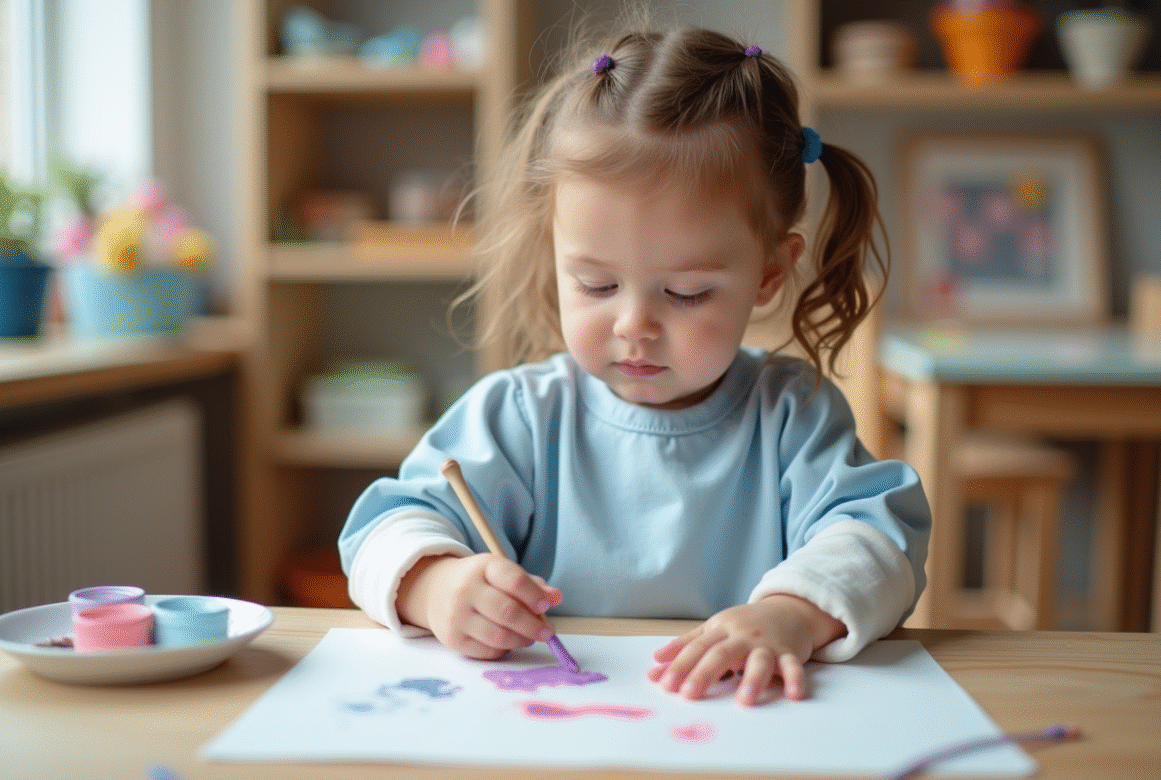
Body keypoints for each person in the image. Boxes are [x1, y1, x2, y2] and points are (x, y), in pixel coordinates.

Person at [340, 22, 930, 707]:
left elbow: (879, 540)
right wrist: (436, 585)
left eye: (686, 293)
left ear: (769, 274)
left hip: (737, 726)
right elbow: (382, 531)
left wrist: (793, 614)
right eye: (596, 284)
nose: (634, 326)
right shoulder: (521, 417)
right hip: (555, 727)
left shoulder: (791, 415)